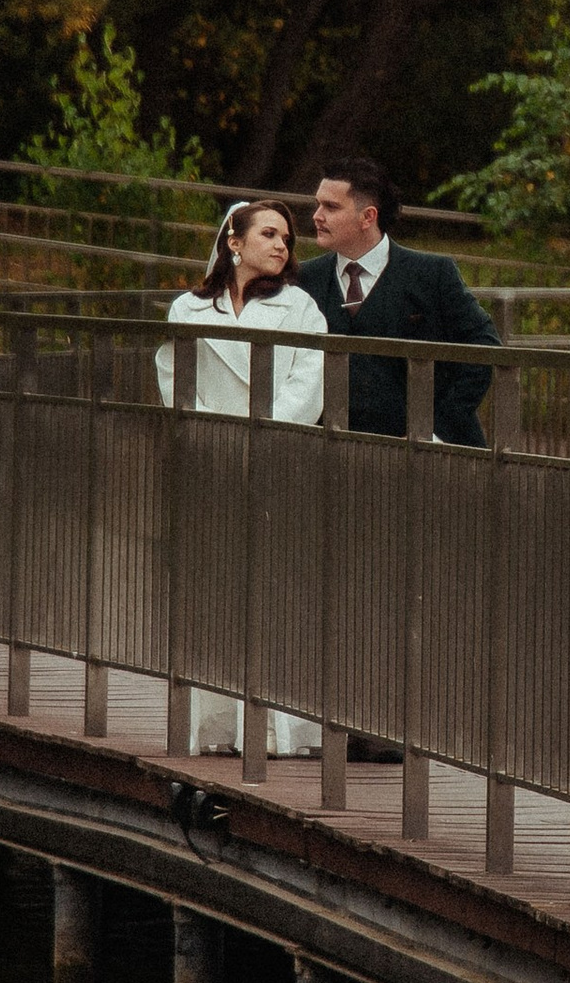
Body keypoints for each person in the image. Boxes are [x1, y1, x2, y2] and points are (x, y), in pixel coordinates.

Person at [154, 199, 327, 758]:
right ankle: (212, 726)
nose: (282, 246)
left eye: (288, 239)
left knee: (275, 591)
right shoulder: (188, 308)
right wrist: (208, 436)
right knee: (212, 592)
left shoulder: (301, 307)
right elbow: (172, 372)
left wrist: (261, 433)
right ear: (234, 242)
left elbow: (309, 381)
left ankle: (284, 732)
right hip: (210, 463)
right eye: (270, 234)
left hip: (276, 462)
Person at [296, 152, 499, 442]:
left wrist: (435, 431)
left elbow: (484, 348)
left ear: (368, 217)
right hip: (330, 452)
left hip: (426, 457)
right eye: (318, 204)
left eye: (330, 206)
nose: (317, 216)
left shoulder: (433, 274)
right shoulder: (304, 279)